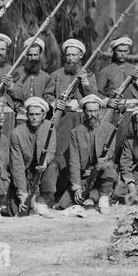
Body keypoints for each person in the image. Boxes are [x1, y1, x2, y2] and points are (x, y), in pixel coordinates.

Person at [48, 37, 96, 199]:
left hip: (82, 119)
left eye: (74, 55)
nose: (70, 58)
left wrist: (86, 82)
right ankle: (58, 192)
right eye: (68, 55)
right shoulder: (56, 75)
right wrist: (55, 102)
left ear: (81, 56)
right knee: (60, 153)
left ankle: (79, 191)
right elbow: (47, 95)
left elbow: (94, 98)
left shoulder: (88, 74)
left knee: (80, 153)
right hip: (62, 120)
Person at [64, 93, 120, 213]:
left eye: (95, 111)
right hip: (85, 175)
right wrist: (77, 187)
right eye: (89, 111)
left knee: (108, 166)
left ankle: (104, 196)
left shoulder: (109, 128)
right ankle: (93, 196)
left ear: (100, 111)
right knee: (64, 203)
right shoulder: (76, 132)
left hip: (102, 173)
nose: (92, 115)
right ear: (84, 112)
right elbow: (74, 161)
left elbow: (110, 152)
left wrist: (99, 164)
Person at [9, 96, 58, 217]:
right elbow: (17, 165)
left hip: (42, 170)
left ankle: (42, 203)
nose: (34, 118)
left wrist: (45, 162)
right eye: (31, 114)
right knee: (17, 212)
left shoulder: (50, 127)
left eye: (37, 114)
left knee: (52, 167)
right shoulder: (17, 133)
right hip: (25, 173)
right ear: (26, 115)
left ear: (44, 114)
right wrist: (22, 194)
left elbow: (51, 150)